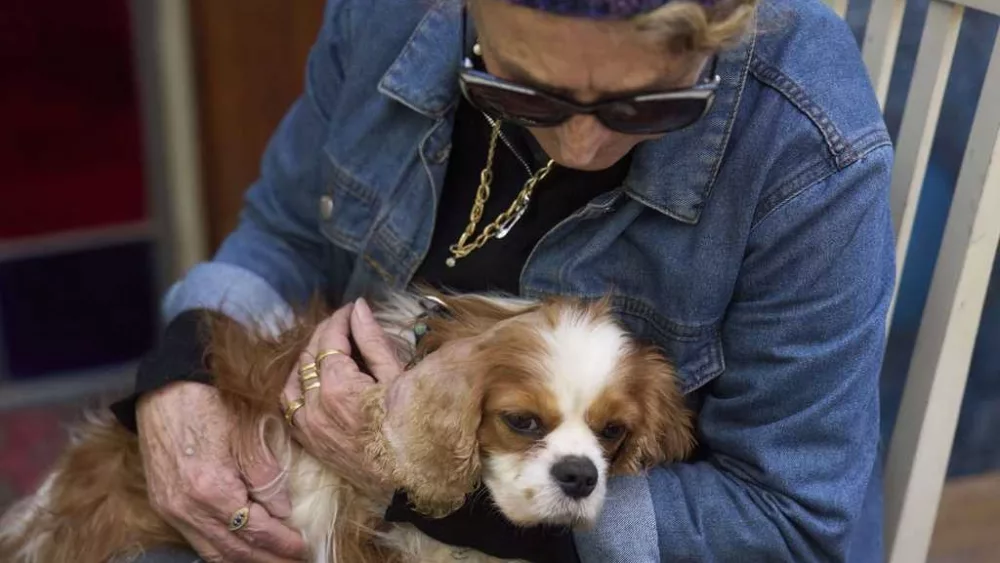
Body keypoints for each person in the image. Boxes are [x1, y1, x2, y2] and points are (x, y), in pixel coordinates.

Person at [110, 0, 896, 561]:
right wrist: (181, 373)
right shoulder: (391, 16)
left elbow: (790, 517)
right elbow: (283, 234)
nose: (582, 143)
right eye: (523, 89)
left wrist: (424, 481)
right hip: (325, 510)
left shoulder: (808, 141)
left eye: (648, 105)